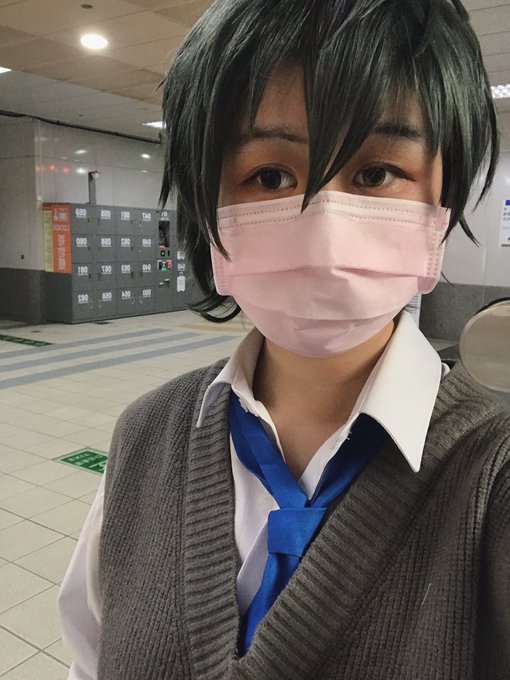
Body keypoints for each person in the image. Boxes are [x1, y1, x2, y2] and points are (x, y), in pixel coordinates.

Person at [58, 1, 510, 678]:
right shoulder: (146, 437)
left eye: (375, 173)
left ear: (442, 198)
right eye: (269, 176)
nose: (324, 233)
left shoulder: (494, 482)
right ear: (209, 205)